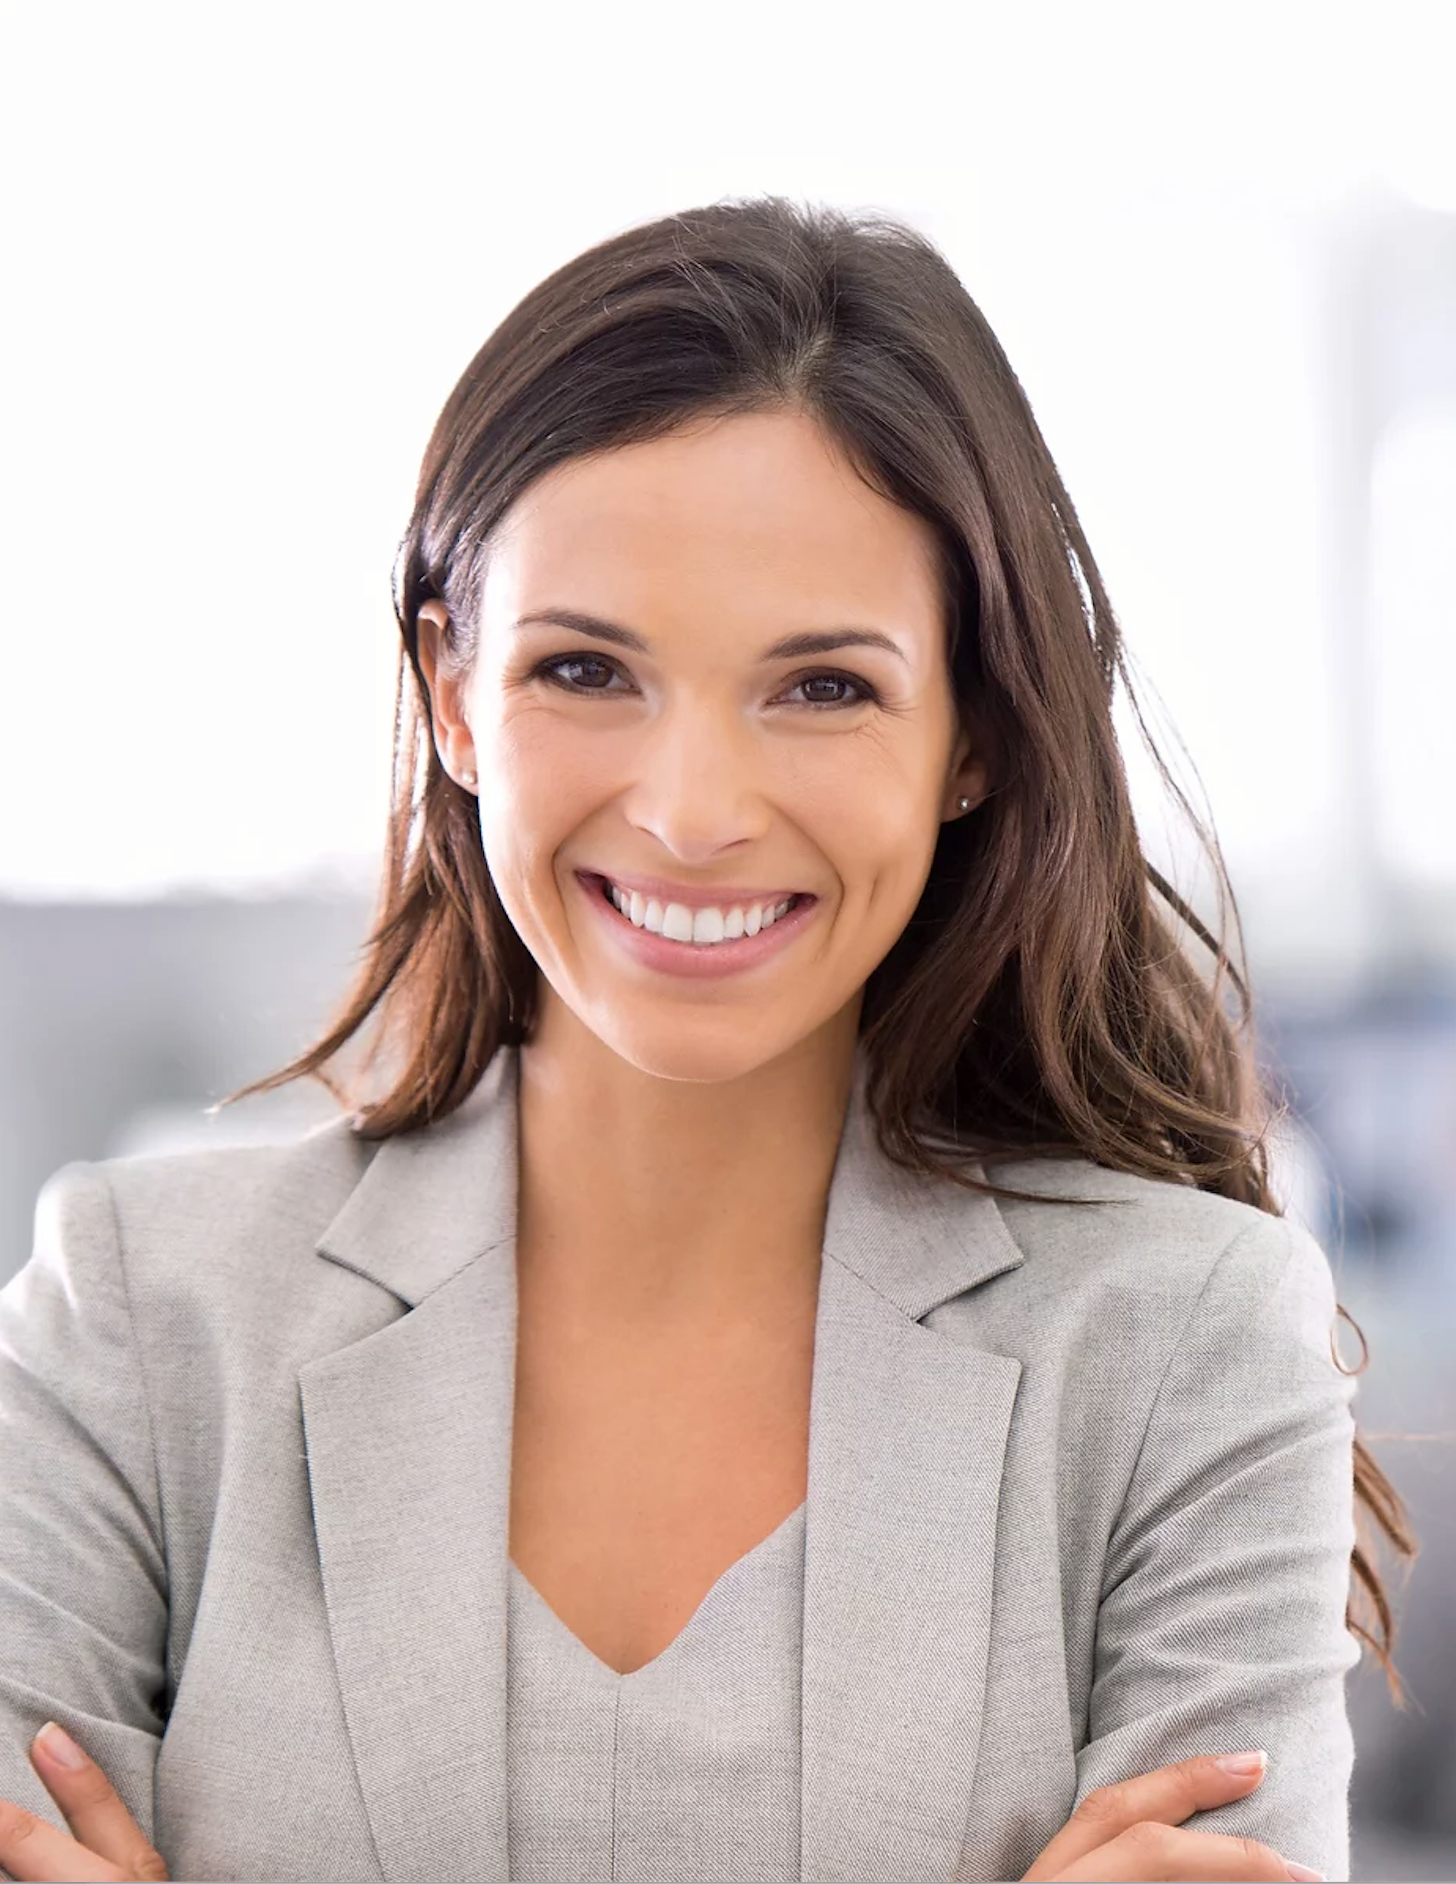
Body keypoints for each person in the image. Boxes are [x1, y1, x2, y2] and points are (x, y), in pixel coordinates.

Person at [0, 196, 1415, 1884]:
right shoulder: (141, 1311)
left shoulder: (1187, 1340)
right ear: (454, 695)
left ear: (973, 736)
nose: (690, 814)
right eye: (586, 670)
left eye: (823, 688)